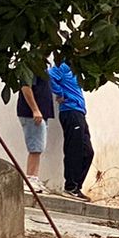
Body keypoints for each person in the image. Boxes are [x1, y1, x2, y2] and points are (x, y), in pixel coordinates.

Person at [47, 58, 94, 200]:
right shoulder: (64, 66)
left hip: (79, 112)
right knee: (74, 149)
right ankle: (71, 186)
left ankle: (76, 185)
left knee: (88, 151)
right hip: (70, 111)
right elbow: (49, 75)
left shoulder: (76, 70)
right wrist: (60, 93)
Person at [16, 66, 56, 190]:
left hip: (41, 114)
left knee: (38, 146)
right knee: (35, 147)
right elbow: (25, 87)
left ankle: (33, 177)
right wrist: (35, 109)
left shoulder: (43, 67)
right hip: (32, 114)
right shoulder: (31, 67)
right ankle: (30, 178)